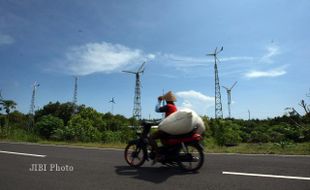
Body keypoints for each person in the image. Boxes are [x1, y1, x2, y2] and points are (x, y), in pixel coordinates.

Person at [150, 91, 178, 164]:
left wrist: (159, 101)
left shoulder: (168, 106)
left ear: (166, 100)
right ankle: (165, 155)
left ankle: (158, 154)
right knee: (163, 140)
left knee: (151, 137)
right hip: (172, 128)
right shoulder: (174, 107)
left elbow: (157, 110)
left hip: (168, 129)